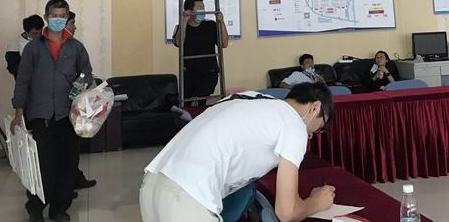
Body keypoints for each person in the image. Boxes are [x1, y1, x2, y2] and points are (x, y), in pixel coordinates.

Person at [140, 83, 336, 222]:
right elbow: (287, 212)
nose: (311, 134)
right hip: (188, 198)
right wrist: (316, 202)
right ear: (315, 107)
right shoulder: (294, 124)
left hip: (151, 186)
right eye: (319, 128)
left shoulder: (249, 98)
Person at [11, 0, 92, 222]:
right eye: (54, 16)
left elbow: (87, 73)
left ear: (67, 18)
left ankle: (59, 208)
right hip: (41, 115)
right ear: (47, 17)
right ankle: (35, 207)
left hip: (69, 116)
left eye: (62, 16)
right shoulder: (33, 48)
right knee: (42, 165)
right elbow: (23, 81)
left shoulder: (76, 47)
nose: (58, 20)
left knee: (67, 164)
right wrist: (19, 111)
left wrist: (83, 83)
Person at [171, 0, 229, 102]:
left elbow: (224, 44)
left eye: (204, 7)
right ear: (189, 11)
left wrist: (221, 22)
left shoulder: (210, 25)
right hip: (189, 73)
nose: (203, 11)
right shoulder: (181, 27)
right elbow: (179, 43)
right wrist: (184, 22)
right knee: (187, 103)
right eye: (200, 8)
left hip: (209, 72)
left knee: (199, 99)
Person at [64, 10, 98, 193]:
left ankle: (72, 182)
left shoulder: (77, 47)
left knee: (72, 149)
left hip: (72, 107)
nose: (75, 27)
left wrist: (79, 85)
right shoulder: (40, 47)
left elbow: (86, 73)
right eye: (72, 23)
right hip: (51, 110)